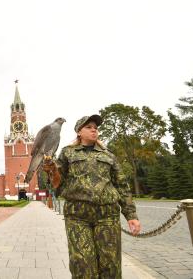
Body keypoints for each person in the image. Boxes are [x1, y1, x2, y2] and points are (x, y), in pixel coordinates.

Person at [43, 114, 141, 279]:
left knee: (111, 265)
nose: (94, 130)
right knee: (82, 265)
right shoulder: (68, 153)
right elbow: (56, 183)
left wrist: (131, 215)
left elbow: (122, 186)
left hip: (107, 216)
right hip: (77, 217)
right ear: (79, 132)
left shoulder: (108, 155)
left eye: (95, 127)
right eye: (89, 127)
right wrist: (51, 169)